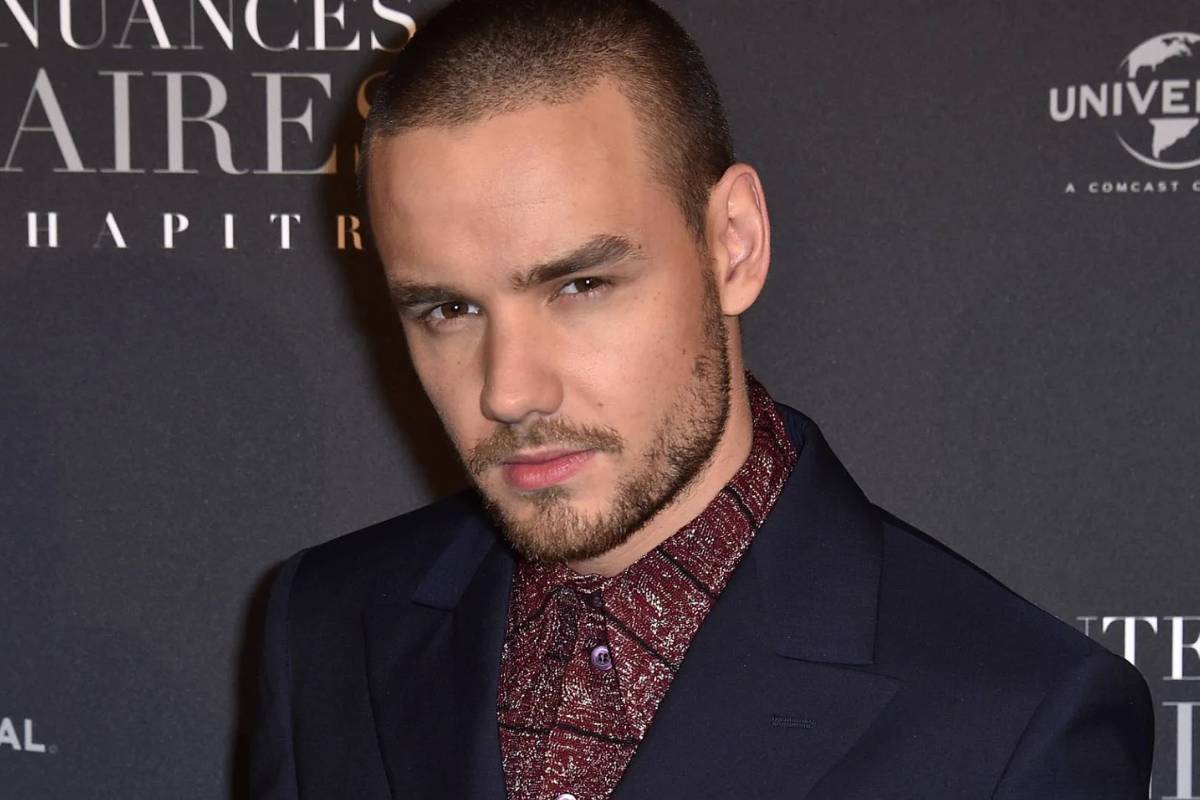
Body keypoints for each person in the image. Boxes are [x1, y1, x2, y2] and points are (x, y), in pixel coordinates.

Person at [250, 1, 1154, 798]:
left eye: (581, 286)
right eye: (449, 310)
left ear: (734, 243)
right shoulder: (326, 626)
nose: (510, 390)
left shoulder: (1015, 720)